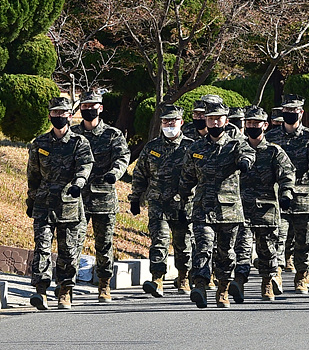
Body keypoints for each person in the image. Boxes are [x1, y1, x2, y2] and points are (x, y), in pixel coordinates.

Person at [177, 99, 255, 308]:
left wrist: (244, 163)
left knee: (225, 252)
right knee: (202, 246)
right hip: (203, 207)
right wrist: (182, 200)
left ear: (225, 120)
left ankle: (223, 290)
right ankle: (200, 286)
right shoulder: (196, 147)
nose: (214, 123)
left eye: (218, 119)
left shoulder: (235, 142)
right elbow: (186, 177)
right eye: (210, 119)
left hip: (229, 210)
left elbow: (248, 153)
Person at [26, 97, 94, 310]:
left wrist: (78, 184)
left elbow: (85, 165)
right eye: (55, 113)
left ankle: (64, 290)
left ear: (69, 115)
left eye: (63, 113)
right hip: (44, 204)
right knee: (42, 248)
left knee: (67, 251)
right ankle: (41, 291)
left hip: (69, 204)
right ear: (50, 115)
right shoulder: (40, 143)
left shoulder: (79, 143)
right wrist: (31, 199)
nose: (59, 117)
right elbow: (33, 174)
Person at [265, 94, 309, 293]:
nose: (290, 114)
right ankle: (275, 274)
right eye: (287, 111)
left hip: (304, 196)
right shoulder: (272, 137)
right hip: (278, 196)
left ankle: (302, 274)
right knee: (276, 237)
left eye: (294, 111)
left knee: (304, 240)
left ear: (301, 113)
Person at [129, 104, 194, 297]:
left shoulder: (190, 147)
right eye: (166, 121)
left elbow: (200, 176)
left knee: (183, 244)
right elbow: (140, 174)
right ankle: (157, 279)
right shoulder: (152, 147)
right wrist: (135, 198)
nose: (169, 125)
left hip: (183, 205)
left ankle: (183, 277)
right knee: (159, 241)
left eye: (172, 121)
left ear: (181, 123)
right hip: (158, 204)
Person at [72, 90, 131, 303]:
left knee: (104, 244)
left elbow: (123, 157)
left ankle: (104, 285)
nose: (89, 110)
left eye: (93, 106)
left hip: (103, 197)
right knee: (72, 243)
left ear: (101, 108)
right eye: (85, 107)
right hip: (76, 198)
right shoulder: (73, 134)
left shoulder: (112, 134)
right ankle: (66, 287)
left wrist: (114, 174)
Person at [239, 106, 296, 300]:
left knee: (267, 250)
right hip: (241, 209)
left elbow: (287, 175)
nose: (252, 126)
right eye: (249, 123)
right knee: (242, 248)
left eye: (256, 123)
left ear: (265, 125)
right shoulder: (236, 149)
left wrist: (286, 194)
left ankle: (267, 283)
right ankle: (238, 283)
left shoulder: (273, 152)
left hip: (267, 209)